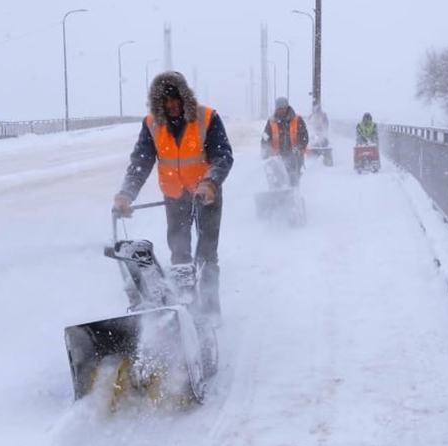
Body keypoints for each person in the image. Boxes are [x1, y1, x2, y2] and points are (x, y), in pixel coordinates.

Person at [113, 71, 233, 316]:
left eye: (176, 98)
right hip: (174, 196)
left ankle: (210, 314)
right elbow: (141, 162)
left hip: (206, 194)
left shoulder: (207, 118)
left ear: (185, 97)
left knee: (206, 255)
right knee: (179, 253)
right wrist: (126, 193)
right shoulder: (151, 124)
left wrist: (210, 183)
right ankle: (185, 312)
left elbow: (222, 156)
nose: (172, 104)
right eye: (165, 100)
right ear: (158, 103)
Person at [262, 97, 309, 187]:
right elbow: (265, 138)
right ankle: (279, 195)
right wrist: (265, 150)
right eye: (279, 109)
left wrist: (298, 148)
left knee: (293, 177)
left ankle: (294, 194)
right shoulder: (271, 121)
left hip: (295, 155)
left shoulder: (298, 120)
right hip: (278, 156)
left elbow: (304, 137)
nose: (282, 111)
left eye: (283, 108)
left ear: (287, 108)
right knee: (278, 178)